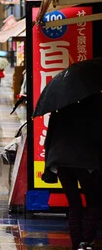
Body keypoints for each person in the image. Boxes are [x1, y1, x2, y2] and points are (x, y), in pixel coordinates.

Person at [42, 94, 102, 250]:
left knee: (74, 203)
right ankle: (87, 241)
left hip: (61, 162)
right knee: (93, 201)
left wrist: (48, 166)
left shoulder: (61, 106)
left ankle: (77, 242)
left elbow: (50, 138)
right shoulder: (95, 105)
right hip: (86, 162)